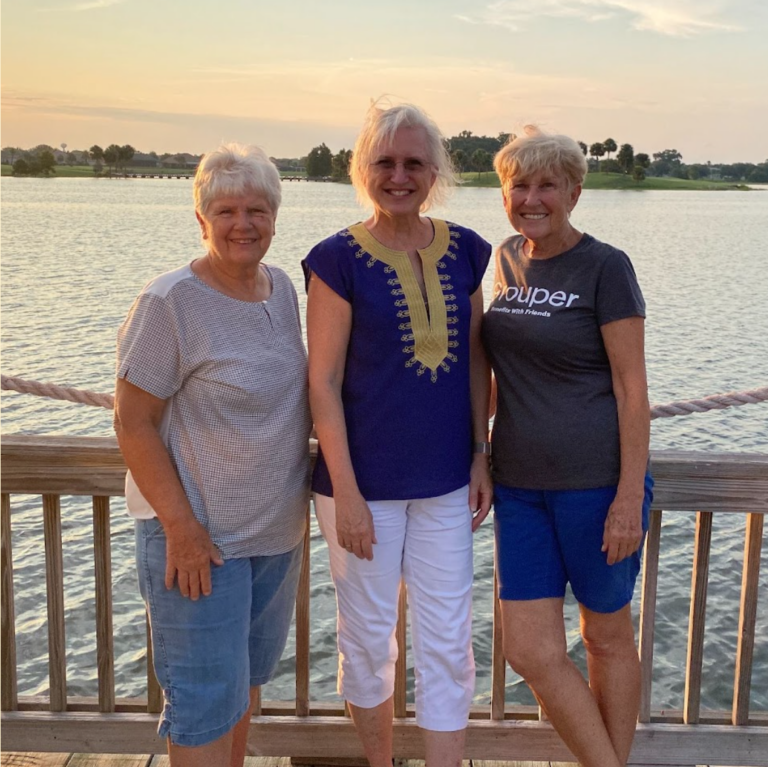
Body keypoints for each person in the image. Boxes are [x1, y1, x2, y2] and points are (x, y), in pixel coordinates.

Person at [303, 103, 493, 767]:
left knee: (448, 637)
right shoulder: (335, 259)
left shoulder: (468, 249)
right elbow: (321, 383)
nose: (400, 175)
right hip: (361, 489)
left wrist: (480, 453)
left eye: (414, 162)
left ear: (435, 170)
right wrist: (348, 492)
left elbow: (475, 361)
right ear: (363, 170)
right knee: (368, 638)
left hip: (446, 483)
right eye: (385, 162)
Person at [113, 143, 311, 767]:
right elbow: (134, 423)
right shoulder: (169, 302)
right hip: (201, 546)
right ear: (201, 219)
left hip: (275, 538)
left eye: (257, 209)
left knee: (243, 693)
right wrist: (183, 529)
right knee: (202, 708)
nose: (243, 224)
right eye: (225, 210)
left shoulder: (281, 291)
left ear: (276, 217)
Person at [482, 125, 653, 767]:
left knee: (605, 638)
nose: (531, 197)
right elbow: (494, 374)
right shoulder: (503, 258)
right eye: (518, 184)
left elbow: (632, 390)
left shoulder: (606, 267)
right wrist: (474, 451)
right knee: (529, 650)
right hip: (520, 487)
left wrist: (628, 498)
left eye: (546, 184)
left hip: (596, 485)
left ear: (574, 192)